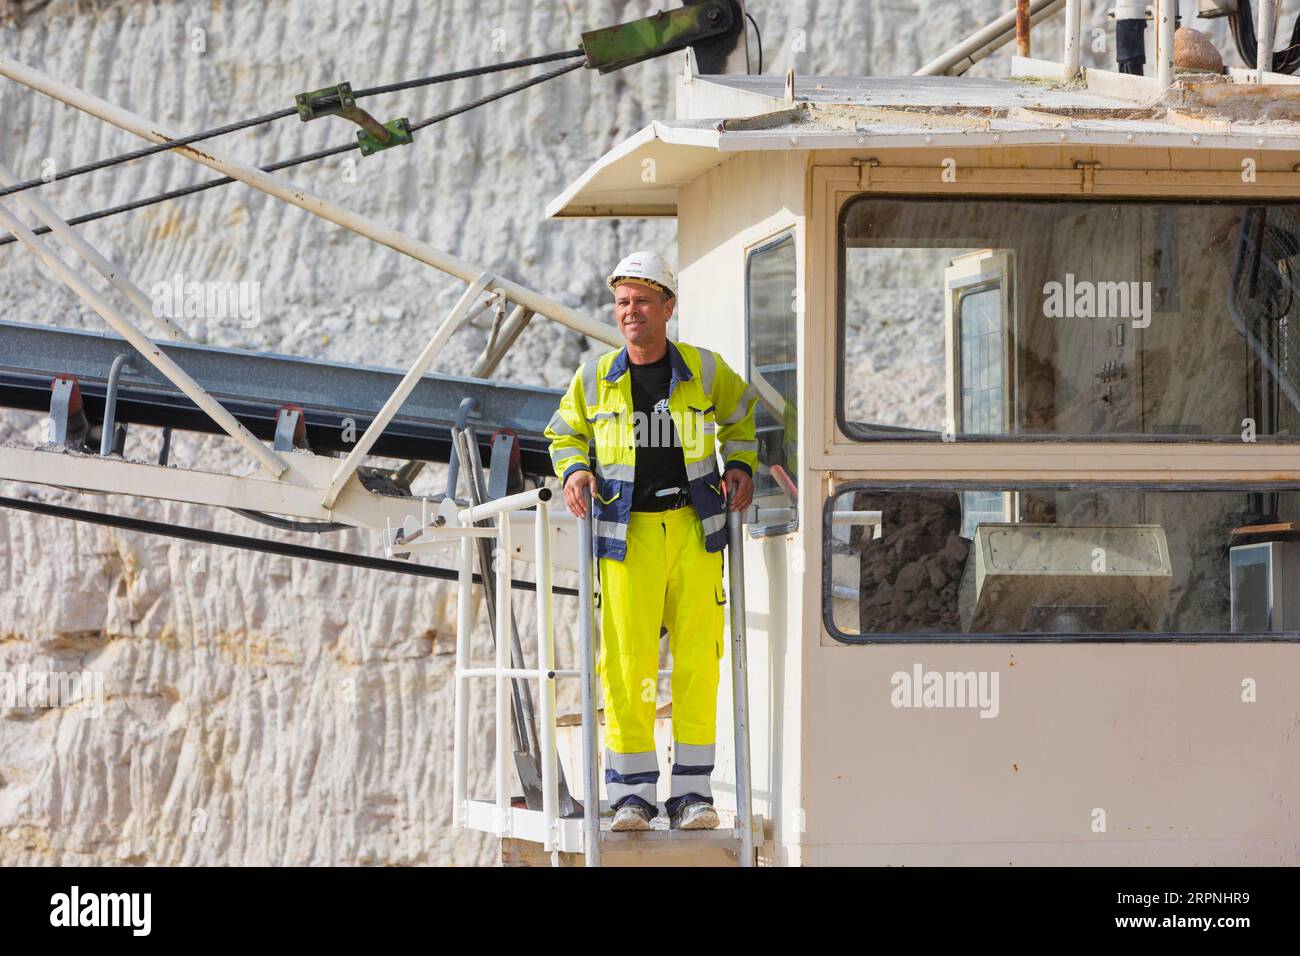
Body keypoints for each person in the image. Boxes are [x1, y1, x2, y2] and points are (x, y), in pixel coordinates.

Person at [545, 251, 758, 831]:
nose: (630, 311)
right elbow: (563, 435)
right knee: (624, 665)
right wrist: (573, 472)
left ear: (668, 305)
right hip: (625, 535)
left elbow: (742, 418)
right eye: (621, 302)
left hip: (694, 530)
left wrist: (739, 463)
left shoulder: (705, 370)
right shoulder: (593, 378)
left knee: (698, 663)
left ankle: (692, 796)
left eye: (641, 300)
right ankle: (632, 797)